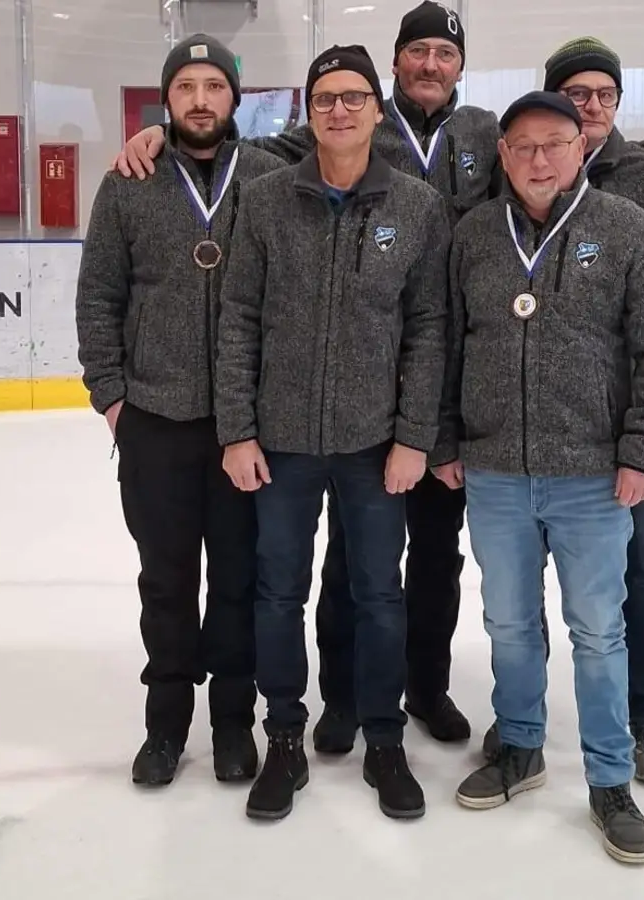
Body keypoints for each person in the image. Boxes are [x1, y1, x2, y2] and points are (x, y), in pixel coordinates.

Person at [111, 3, 644, 758]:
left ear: (461, 65)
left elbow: (565, 151)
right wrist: (162, 135)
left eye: (443, 53)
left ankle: (428, 685)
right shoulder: (346, 124)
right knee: (349, 563)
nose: (430, 63)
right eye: (416, 51)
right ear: (394, 65)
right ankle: (346, 696)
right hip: (358, 402)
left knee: (440, 556)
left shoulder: (489, 134)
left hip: (455, 389)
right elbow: (233, 151)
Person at [432, 89, 644, 864]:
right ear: (502, 156)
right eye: (522, 147)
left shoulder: (627, 228)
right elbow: (447, 345)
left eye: (554, 144)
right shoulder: (476, 235)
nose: (538, 160)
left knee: (598, 632)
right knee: (508, 624)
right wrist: (448, 436)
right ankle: (519, 744)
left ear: (581, 149)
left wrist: (643, 451)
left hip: (591, 478)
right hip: (497, 472)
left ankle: (611, 779)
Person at [214, 44, 450, 822]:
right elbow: (239, 319)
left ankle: (384, 738)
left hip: (373, 445)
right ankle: (285, 735)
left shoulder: (416, 206)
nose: (340, 111)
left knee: (381, 594)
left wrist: (414, 436)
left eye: (354, 98)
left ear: (377, 110)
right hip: (279, 441)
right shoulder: (268, 197)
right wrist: (238, 431)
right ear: (308, 112)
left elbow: (427, 329)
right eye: (325, 100)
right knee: (278, 592)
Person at [478, 36, 644, 789]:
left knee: (638, 576)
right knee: (514, 608)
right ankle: (521, 729)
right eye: (575, 93)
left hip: (618, 433)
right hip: (511, 447)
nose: (591, 105)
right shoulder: (499, 181)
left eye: (602, 95)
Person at [74, 34, 287, 789]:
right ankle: (165, 725)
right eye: (186, 87)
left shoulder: (270, 176)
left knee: (235, 582)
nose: (200, 100)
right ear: (166, 99)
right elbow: (99, 297)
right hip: (155, 424)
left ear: (236, 98)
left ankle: (233, 722)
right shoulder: (129, 183)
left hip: (243, 427)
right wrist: (113, 401)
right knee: (165, 582)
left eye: (214, 87)